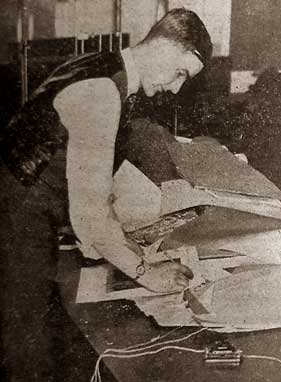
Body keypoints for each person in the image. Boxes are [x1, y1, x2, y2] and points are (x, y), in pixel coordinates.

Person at [0, 9, 212, 381]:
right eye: (180, 73)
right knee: (29, 359)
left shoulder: (101, 65)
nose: (178, 88)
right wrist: (148, 274)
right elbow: (91, 217)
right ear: (162, 46)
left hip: (22, 211)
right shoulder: (102, 93)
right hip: (17, 222)